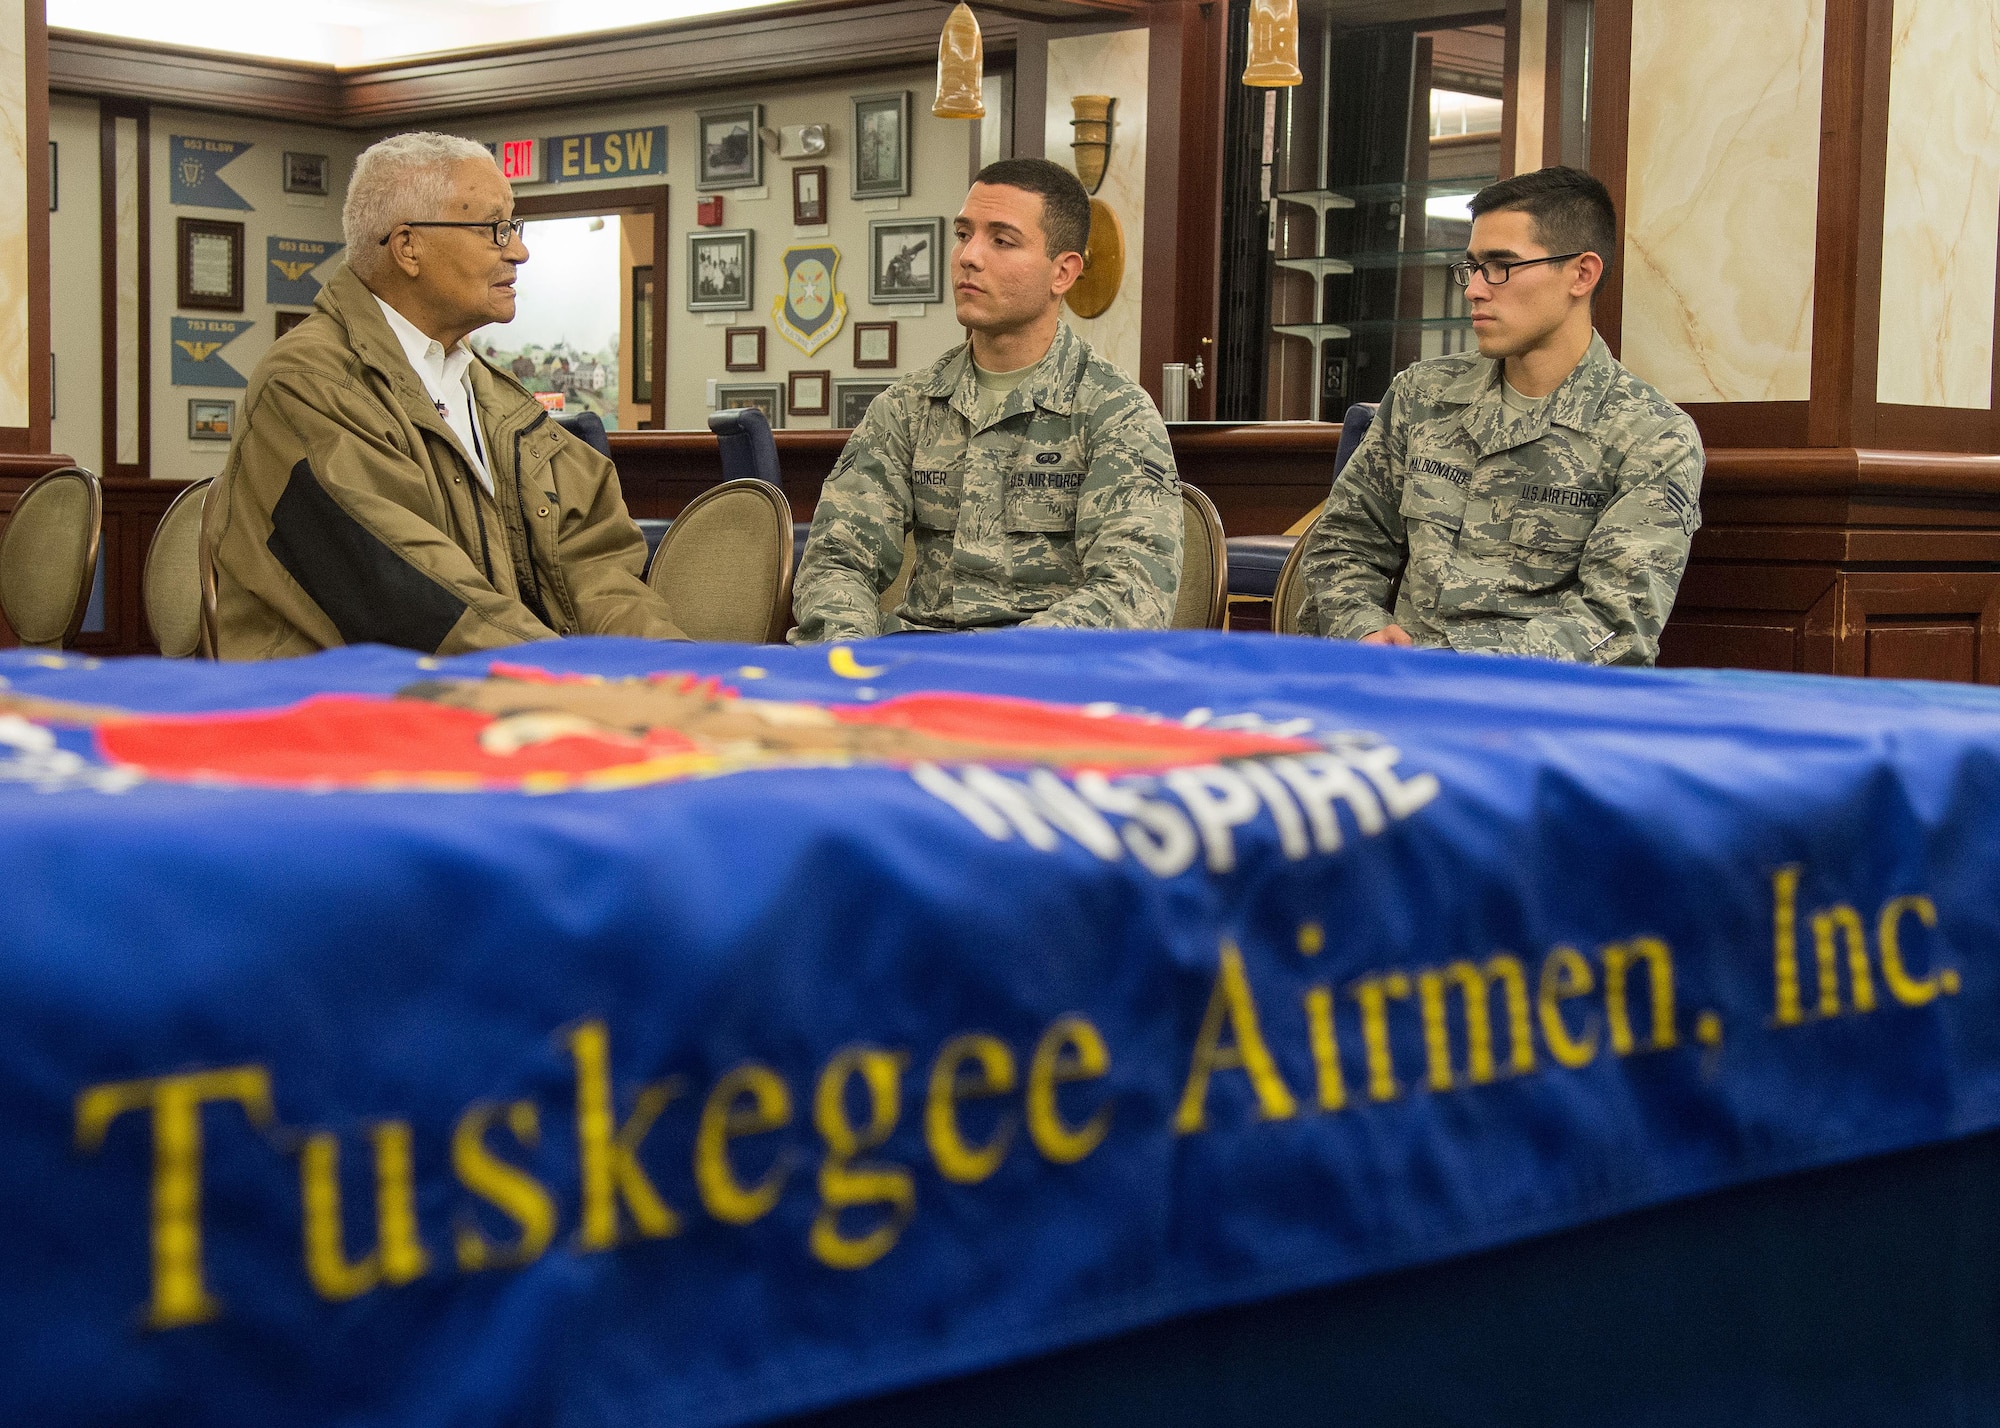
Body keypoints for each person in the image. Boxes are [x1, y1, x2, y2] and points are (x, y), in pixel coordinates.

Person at [203, 131, 684, 659]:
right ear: (409, 246)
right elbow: (414, 599)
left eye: (514, 228)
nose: (519, 251)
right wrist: (576, 680)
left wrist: (675, 671)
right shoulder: (308, 385)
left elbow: (596, 570)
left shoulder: (494, 396)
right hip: (344, 717)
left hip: (493, 699)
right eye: (495, 230)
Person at [1296, 165, 1703, 665]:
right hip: (1394, 687)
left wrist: (1450, 668)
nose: (1474, 289)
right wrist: (1361, 629)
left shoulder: (1651, 435)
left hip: (1533, 711)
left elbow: (1615, 625)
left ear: (1582, 273)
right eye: (1472, 267)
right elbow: (1342, 545)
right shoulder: (1422, 396)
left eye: (1501, 266)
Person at [791, 157, 1182, 642]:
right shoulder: (907, 408)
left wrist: (995, 667)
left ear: (1063, 271)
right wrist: (848, 663)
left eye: (1002, 240)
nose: (968, 256)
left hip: (1044, 684)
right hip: (917, 669)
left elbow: (1133, 594)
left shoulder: (1114, 413)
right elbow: (836, 560)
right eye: (962, 234)